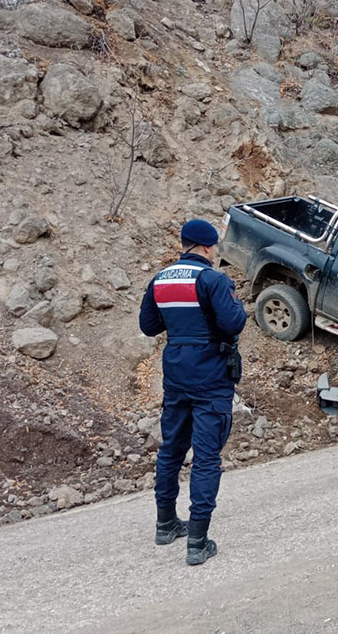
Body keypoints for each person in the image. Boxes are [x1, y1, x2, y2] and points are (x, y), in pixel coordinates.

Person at [138, 219, 247, 566]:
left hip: (176, 374)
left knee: (171, 449)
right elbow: (234, 323)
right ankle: (198, 541)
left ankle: (165, 524)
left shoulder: (160, 280)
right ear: (205, 247)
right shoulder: (213, 280)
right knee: (206, 456)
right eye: (214, 247)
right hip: (210, 375)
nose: (216, 253)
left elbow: (149, 326)